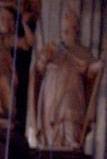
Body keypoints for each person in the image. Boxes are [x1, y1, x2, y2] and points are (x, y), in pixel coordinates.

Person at [28, 9, 102, 150]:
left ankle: (71, 140)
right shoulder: (53, 49)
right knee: (52, 118)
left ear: (77, 31)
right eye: (64, 30)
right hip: (52, 90)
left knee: (69, 109)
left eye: (70, 30)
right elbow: (38, 69)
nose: (67, 33)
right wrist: (43, 60)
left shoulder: (83, 52)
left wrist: (98, 66)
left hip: (73, 88)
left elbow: (90, 72)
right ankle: (50, 140)